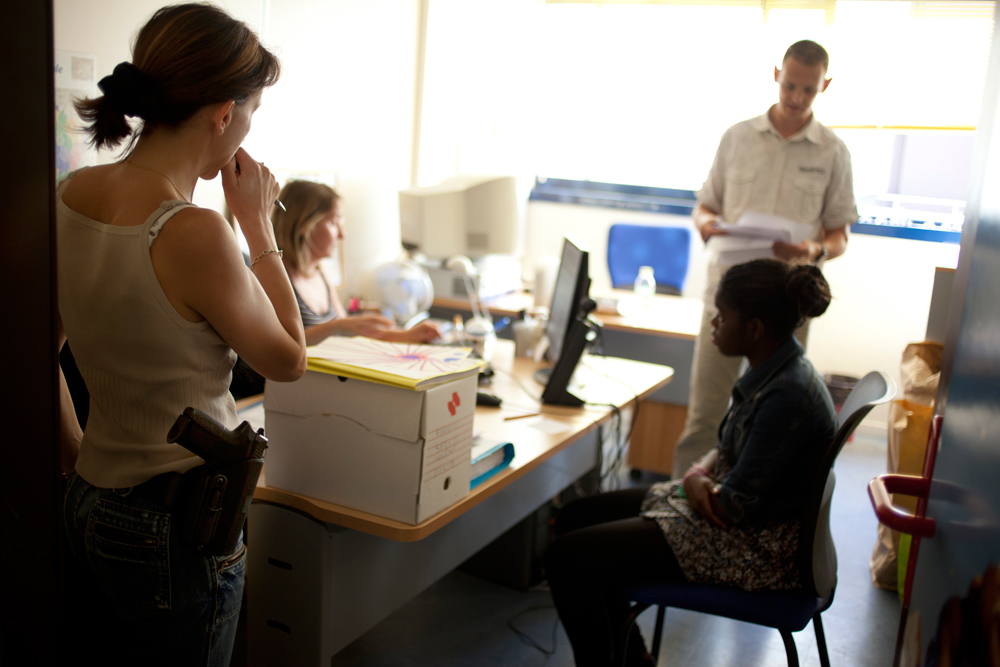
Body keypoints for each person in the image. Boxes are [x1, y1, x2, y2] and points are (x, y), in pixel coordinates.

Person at [57, 5, 307, 665]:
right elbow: (288, 358)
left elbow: (33, 346)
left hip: (89, 499)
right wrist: (258, 229)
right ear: (224, 114)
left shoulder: (69, 195)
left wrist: (77, 452)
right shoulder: (194, 232)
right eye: (252, 113)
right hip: (172, 526)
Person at [544, 259, 838, 667]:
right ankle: (632, 660)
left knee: (567, 559)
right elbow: (728, 450)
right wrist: (698, 475)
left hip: (754, 547)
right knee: (574, 518)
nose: (714, 322)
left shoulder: (787, 396)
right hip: (728, 512)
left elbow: (731, 507)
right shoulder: (777, 371)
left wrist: (694, 482)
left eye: (723, 315)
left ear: (754, 328)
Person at [672, 39, 858, 478]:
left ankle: (752, 507)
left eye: (808, 90)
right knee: (706, 411)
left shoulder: (833, 152)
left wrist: (814, 249)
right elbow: (705, 205)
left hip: (788, 301)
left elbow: (839, 236)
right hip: (729, 295)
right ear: (777, 76)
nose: (796, 98)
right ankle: (679, 504)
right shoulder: (737, 136)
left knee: (778, 411)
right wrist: (705, 224)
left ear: (824, 86)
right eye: (790, 85)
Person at [272, 179, 441, 345]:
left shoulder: (320, 272)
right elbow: (283, 345)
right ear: (305, 224)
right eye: (333, 222)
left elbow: (347, 333)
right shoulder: (275, 277)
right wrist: (338, 326)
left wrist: (410, 334)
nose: (342, 234)